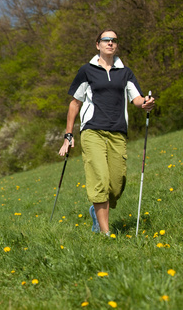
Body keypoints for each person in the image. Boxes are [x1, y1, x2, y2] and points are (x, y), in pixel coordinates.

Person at [59, 29, 155, 236]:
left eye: (114, 40)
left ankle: (96, 211)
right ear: (98, 45)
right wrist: (68, 135)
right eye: (106, 40)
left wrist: (145, 103)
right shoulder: (87, 70)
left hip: (117, 132)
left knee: (117, 184)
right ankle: (105, 233)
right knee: (99, 179)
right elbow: (75, 103)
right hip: (92, 131)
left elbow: (136, 98)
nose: (110, 43)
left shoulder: (125, 73)